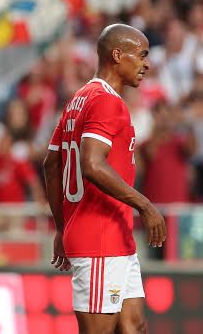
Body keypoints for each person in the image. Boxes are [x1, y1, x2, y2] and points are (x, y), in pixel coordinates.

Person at [43, 24, 167, 334]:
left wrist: (62, 226)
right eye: (141, 55)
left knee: (134, 326)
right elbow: (92, 164)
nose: (146, 64)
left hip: (116, 237)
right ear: (117, 55)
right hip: (100, 238)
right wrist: (145, 205)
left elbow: (51, 165)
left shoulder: (79, 98)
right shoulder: (106, 101)